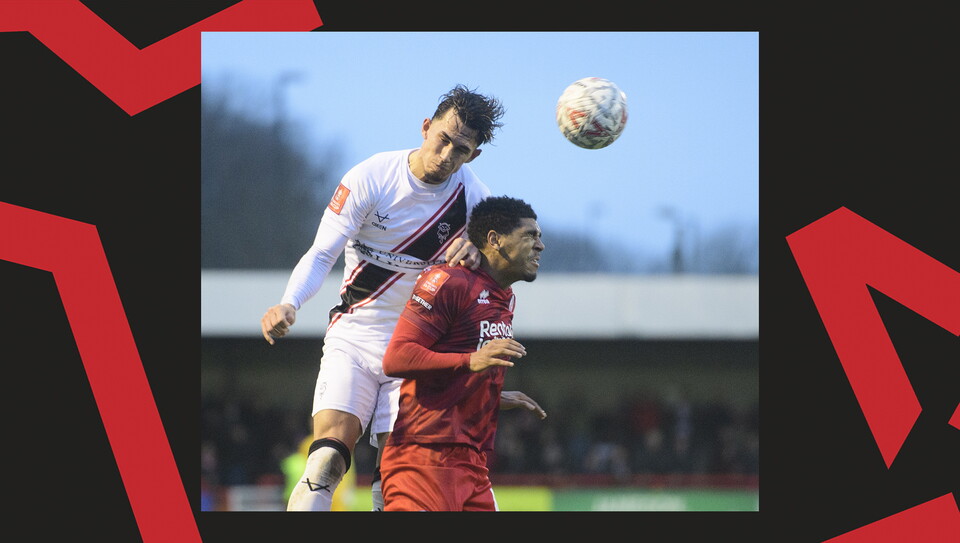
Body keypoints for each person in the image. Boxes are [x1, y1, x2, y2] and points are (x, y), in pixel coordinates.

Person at [261, 85, 538, 512]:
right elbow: (322, 253)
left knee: (395, 484)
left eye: (460, 150)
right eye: (442, 139)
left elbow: (482, 302)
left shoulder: (475, 202)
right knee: (326, 463)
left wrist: (478, 259)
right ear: (426, 128)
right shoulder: (371, 177)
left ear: (473, 156)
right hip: (354, 336)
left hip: (417, 355)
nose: (446, 155)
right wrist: (290, 302)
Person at [379, 196, 547, 511]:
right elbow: (397, 358)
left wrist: (492, 394)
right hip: (424, 458)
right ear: (495, 240)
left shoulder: (506, 299)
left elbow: (458, 364)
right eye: (530, 236)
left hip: (473, 463)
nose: (540, 246)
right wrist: (472, 361)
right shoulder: (449, 280)